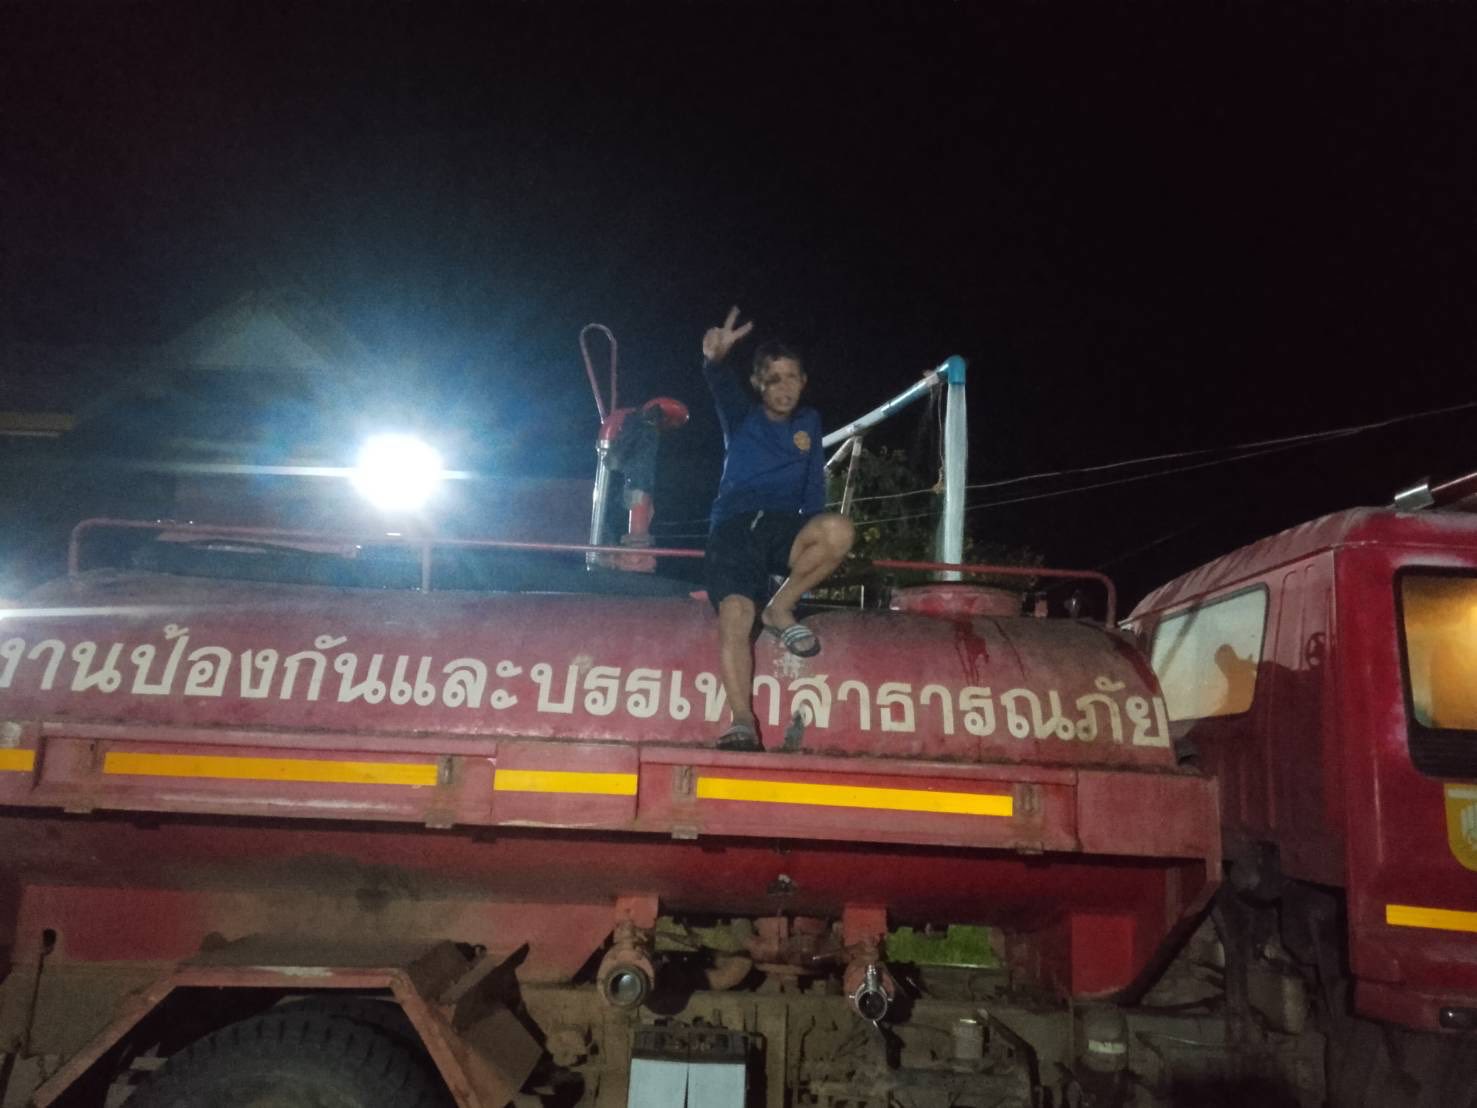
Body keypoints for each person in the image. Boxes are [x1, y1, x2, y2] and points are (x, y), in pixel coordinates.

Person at [701, 307, 855, 751]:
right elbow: (719, 382)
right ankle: (742, 722)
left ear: (803, 381)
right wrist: (714, 359)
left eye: (791, 377)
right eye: (773, 378)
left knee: (839, 530)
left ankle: (779, 608)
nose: (783, 387)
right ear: (758, 384)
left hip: (783, 528)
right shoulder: (742, 416)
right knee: (735, 613)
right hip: (734, 530)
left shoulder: (809, 422)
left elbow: (813, 489)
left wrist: (812, 539)